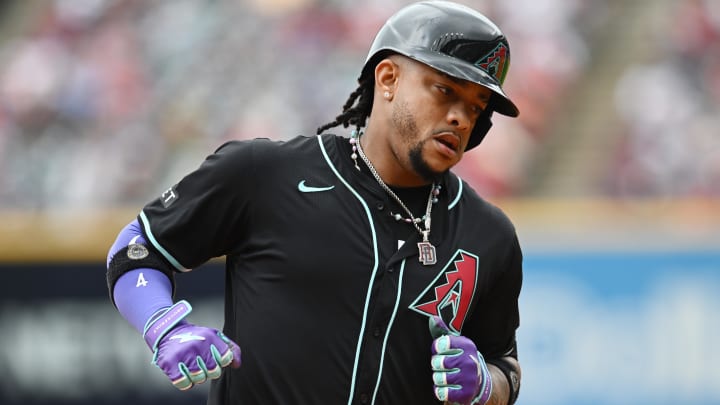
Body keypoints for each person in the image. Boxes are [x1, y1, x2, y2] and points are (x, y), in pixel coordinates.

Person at [106, 1, 523, 404]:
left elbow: (504, 363)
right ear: (389, 78)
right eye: (445, 90)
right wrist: (163, 326)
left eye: (476, 106)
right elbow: (137, 248)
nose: (461, 118)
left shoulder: (489, 236)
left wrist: (488, 386)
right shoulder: (265, 174)